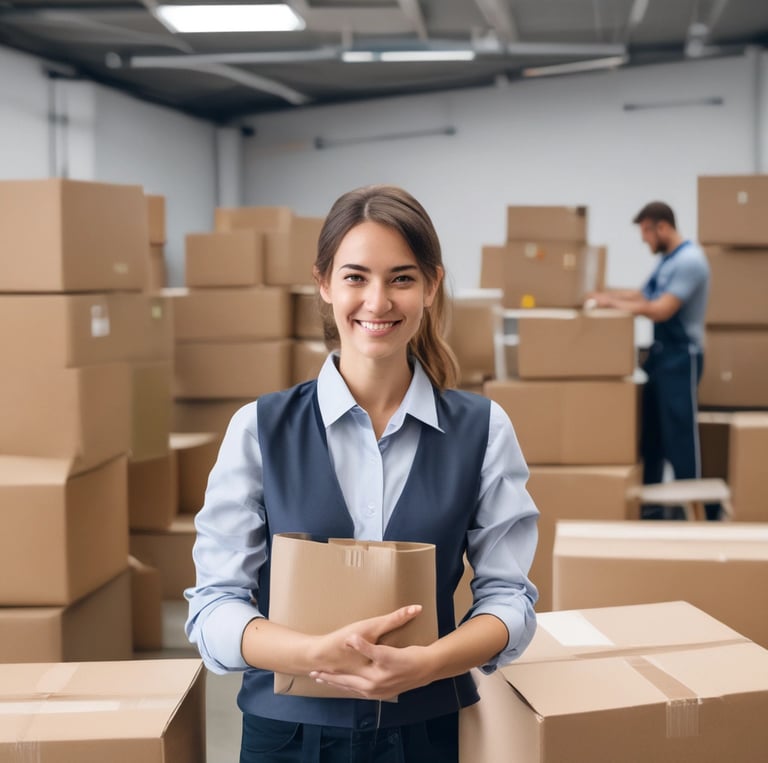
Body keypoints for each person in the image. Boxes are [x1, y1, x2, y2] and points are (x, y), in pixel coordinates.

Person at [184, 184, 539, 762]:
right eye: (355, 277)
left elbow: (508, 597)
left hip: (427, 735)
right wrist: (313, 653)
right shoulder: (259, 429)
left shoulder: (484, 430)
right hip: (287, 740)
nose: (377, 302)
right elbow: (216, 606)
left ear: (431, 285)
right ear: (323, 284)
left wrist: (429, 662)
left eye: (401, 278)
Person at [589, 201, 711, 518]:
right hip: (660, 357)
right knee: (652, 435)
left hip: (682, 359)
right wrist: (603, 296)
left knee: (680, 438)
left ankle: (695, 514)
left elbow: (661, 309)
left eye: (646, 231)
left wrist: (613, 306)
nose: (644, 239)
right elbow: (643, 295)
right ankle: (652, 511)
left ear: (662, 227)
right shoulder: (667, 261)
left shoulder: (690, 261)